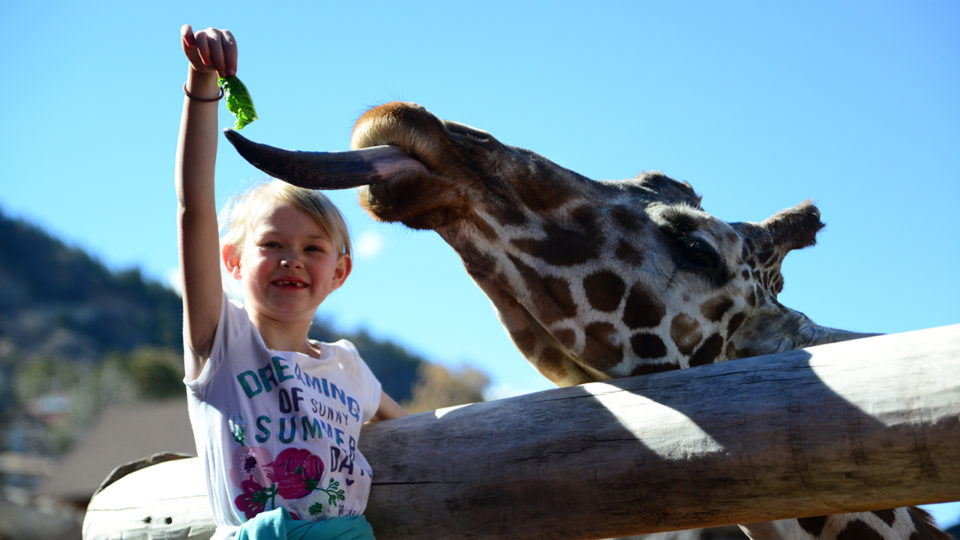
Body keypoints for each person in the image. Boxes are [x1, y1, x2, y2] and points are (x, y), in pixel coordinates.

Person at [176, 24, 407, 539]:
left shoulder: (349, 367)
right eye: (272, 245)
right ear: (233, 261)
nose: (292, 261)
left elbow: (416, 428)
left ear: (339, 272)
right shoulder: (221, 342)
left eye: (312, 249)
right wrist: (202, 85)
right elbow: (194, 210)